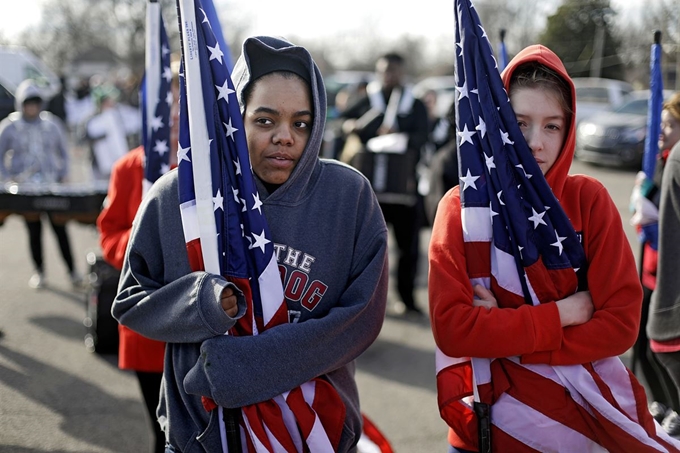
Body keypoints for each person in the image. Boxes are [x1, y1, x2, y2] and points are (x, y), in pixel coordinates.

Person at [112, 35, 389, 452]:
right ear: (234, 118)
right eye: (265, 121)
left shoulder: (348, 196)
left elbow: (361, 318)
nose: (285, 136)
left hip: (316, 436)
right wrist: (201, 303)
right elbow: (131, 299)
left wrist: (241, 367)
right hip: (204, 437)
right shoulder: (180, 197)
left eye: (301, 123)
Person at [429, 43, 674, 452]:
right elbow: (454, 329)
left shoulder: (589, 200)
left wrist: (507, 341)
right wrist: (563, 313)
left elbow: (620, 325)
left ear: (569, 127)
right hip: (488, 429)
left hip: (581, 424)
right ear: (499, 122)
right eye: (519, 123)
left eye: (551, 126)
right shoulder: (462, 208)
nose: (534, 143)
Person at [96, 59, 180, 453]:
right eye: (169, 98)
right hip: (148, 327)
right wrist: (143, 241)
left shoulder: (227, 171)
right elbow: (109, 235)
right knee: (162, 435)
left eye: (187, 98)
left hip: (210, 330)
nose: (177, 110)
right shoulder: (130, 168)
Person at [339, 52, 429, 315]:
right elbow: (342, 121)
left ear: (401, 72)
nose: (389, 76)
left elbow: (423, 134)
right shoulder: (368, 99)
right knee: (366, 248)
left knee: (408, 247)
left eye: (393, 71)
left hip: (404, 187)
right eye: (384, 71)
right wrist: (352, 126)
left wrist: (399, 135)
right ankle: (364, 302)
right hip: (371, 188)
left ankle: (407, 299)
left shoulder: (414, 104)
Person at [0, 79, 79, 289]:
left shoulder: (51, 124)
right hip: (26, 190)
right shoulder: (10, 126)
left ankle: (73, 272)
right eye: (28, 103)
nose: (32, 108)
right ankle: (40, 271)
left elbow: (64, 152)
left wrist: (64, 174)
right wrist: (7, 178)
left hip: (51, 186)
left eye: (35, 103)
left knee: (60, 229)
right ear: (21, 104)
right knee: (34, 231)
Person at [646, 92, 680, 436]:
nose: (662, 130)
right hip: (652, 269)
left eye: (670, 124)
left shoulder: (677, 160)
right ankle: (665, 405)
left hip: (667, 277)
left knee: (659, 346)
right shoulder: (663, 160)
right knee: (645, 350)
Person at [85, 82, 141, 181]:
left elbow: (134, 124)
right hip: (102, 165)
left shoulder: (119, 114)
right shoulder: (93, 120)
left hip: (120, 159)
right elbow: (89, 134)